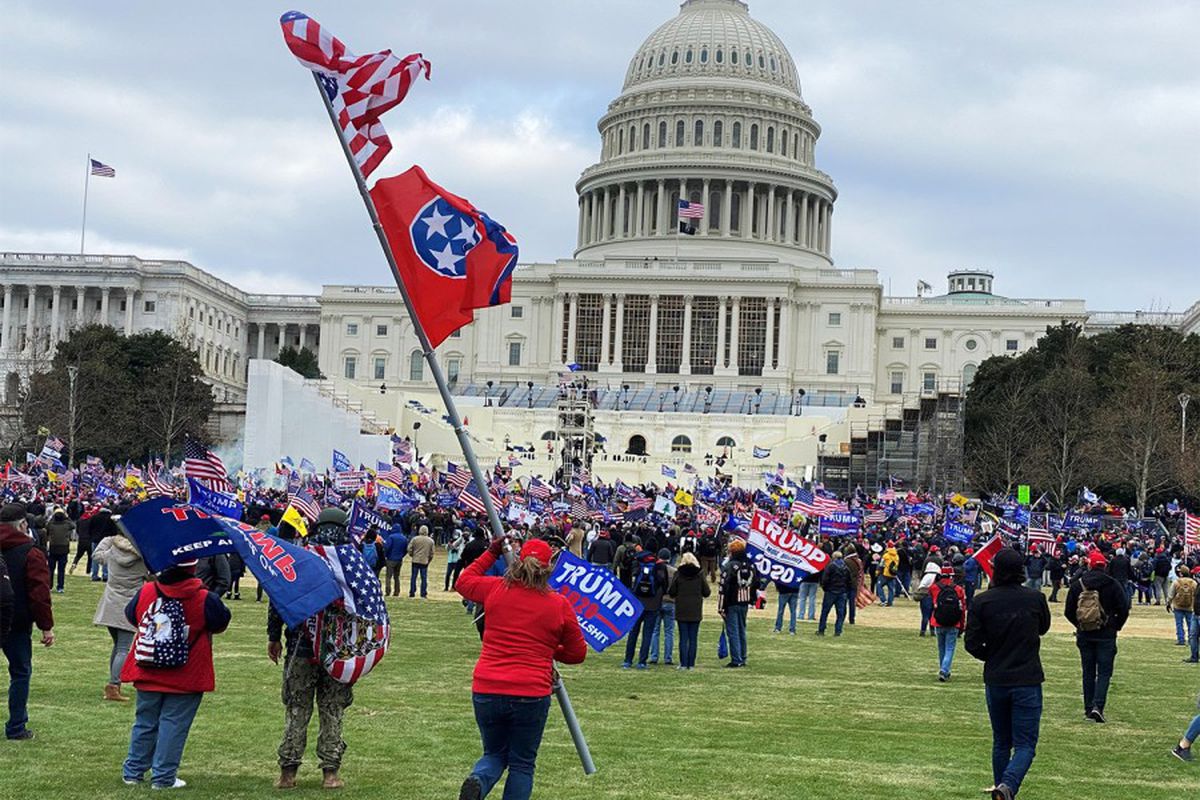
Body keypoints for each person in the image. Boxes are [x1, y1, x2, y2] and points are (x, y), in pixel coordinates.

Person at [455, 537, 586, 800]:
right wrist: (549, 650)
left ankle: (478, 782)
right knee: (522, 764)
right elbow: (577, 653)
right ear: (549, 567)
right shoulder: (558, 604)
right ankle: (478, 784)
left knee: (493, 754)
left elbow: (463, 582)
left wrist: (491, 552)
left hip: (488, 686)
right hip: (531, 691)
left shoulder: (496, 589)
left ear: (517, 561)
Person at [120, 559, 231, 789]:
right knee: (174, 725)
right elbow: (220, 622)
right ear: (193, 567)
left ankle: (133, 771)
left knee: (145, 722)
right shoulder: (203, 597)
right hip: (186, 673)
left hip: (148, 667)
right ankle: (163, 777)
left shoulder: (148, 591)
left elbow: (132, 616)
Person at [271, 509, 356, 790]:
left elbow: (279, 597)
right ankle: (330, 773)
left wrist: (274, 636)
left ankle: (288, 772)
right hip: (338, 650)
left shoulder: (299, 558)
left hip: (300, 647)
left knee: (297, 709)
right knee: (332, 710)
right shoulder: (351, 561)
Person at [964, 547, 1051, 800]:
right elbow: (1043, 628)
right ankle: (1008, 785)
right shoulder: (1035, 598)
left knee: (1001, 741)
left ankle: (1002, 788)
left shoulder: (983, 601)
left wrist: (991, 655)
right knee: (1025, 744)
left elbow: (971, 642)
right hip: (1026, 677)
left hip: (997, 677)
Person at [0, 502, 54, 741]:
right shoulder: (31, 553)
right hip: (17, 620)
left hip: (14, 617)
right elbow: (39, 593)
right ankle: (16, 726)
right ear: (23, 524)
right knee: (21, 672)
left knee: (20, 671)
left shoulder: (30, 551)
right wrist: (46, 626)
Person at [1064, 549, 1129, 723]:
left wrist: (1080, 625)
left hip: (1085, 633)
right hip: (1107, 634)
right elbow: (1123, 608)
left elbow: (1068, 611)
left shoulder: (1078, 584)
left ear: (1089, 565)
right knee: (1105, 673)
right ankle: (1097, 707)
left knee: (1088, 672)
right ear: (1105, 565)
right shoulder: (1113, 584)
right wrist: (1116, 626)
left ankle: (1087, 708)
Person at [92, 528, 146, 702]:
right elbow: (153, 576)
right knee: (123, 648)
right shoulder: (143, 556)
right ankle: (114, 685)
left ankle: (114, 683)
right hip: (129, 604)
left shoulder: (112, 550)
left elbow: (98, 555)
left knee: (118, 647)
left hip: (110, 603)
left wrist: (110, 540)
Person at [623, 547, 668, 669]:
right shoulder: (660, 566)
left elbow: (629, 580)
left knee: (633, 633)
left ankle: (628, 660)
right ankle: (642, 661)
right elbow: (665, 585)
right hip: (653, 604)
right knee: (647, 634)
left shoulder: (637, 562)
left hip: (637, 603)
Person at [717, 538, 760, 667]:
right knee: (742, 630)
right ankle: (743, 656)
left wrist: (721, 607)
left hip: (731, 602)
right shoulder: (751, 565)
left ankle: (736, 659)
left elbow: (723, 587)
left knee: (733, 632)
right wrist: (752, 600)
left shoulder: (729, 566)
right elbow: (756, 583)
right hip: (745, 602)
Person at [668, 551, 709, 670]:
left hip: (682, 608)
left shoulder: (678, 574)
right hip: (695, 609)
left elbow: (672, 591)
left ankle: (683, 663)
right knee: (693, 638)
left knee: (683, 638)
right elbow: (706, 592)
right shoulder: (700, 574)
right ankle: (691, 664)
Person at [930, 564, 967, 681]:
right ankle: (945, 670)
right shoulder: (958, 589)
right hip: (954, 622)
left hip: (938, 620)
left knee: (941, 648)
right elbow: (963, 608)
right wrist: (962, 624)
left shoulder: (934, 587)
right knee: (950, 648)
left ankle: (943, 669)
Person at [647, 548, 676, 665]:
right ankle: (668, 657)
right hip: (670, 602)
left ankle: (654, 656)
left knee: (655, 631)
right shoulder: (674, 572)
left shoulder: (654, 569)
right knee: (669, 631)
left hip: (657, 602)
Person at [817, 551, 852, 637]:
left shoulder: (830, 566)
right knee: (840, 613)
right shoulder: (846, 568)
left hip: (831, 591)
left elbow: (825, 579)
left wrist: (825, 588)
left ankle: (821, 629)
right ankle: (838, 631)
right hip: (842, 592)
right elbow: (849, 581)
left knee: (825, 611)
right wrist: (845, 590)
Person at [43, 507, 74, 594]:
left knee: (51, 569)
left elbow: (47, 526)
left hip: (53, 548)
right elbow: (73, 525)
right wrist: (67, 517)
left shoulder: (51, 524)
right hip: (63, 549)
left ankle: (49, 585)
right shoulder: (67, 524)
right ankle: (60, 586)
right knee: (61, 570)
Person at [1167, 565, 1196, 648]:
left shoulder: (1177, 582)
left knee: (1179, 623)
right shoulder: (1193, 582)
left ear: (1181, 573)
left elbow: (1171, 594)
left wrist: (1168, 603)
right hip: (1190, 606)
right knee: (1190, 624)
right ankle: (1191, 640)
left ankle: (1181, 639)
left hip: (1178, 606)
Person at [408, 524, 435, 598]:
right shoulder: (430, 541)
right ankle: (423, 593)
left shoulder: (415, 539)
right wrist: (429, 559)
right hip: (424, 561)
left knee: (413, 577)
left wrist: (412, 555)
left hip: (415, 560)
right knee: (424, 578)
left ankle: (412, 592)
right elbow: (432, 553)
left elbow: (409, 548)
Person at [383, 525, 409, 597]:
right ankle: (397, 591)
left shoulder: (391, 537)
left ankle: (388, 591)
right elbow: (406, 549)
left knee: (388, 576)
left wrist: (386, 555)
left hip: (391, 559)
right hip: (399, 560)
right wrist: (401, 555)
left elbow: (387, 547)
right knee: (396, 576)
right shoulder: (404, 538)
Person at [879, 541, 899, 606]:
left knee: (879, 586)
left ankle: (883, 600)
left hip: (885, 574)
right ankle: (890, 602)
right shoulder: (897, 556)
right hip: (893, 574)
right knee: (891, 589)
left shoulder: (885, 555)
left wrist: (879, 571)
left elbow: (881, 564)